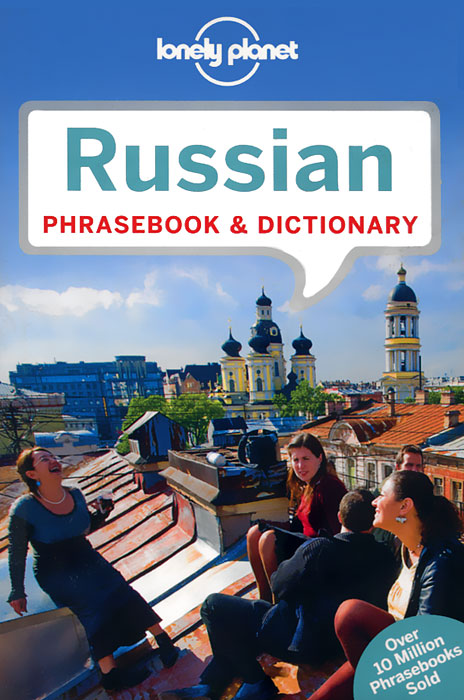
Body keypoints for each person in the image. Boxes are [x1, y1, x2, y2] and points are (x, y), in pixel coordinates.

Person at [163, 490, 397, 700]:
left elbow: (278, 586)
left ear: (339, 517)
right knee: (238, 629)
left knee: (213, 606)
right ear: (373, 523)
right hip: (340, 646)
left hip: (297, 642)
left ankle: (254, 682)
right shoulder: (386, 557)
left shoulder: (319, 549)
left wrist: (296, 562)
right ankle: (209, 685)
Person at [7, 448, 179, 692]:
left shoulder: (75, 494)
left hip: (86, 557)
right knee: (93, 609)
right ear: (32, 474)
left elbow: (84, 528)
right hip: (56, 570)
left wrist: (102, 514)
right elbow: (16, 551)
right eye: (44, 459)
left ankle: (164, 641)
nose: (54, 460)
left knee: (122, 592)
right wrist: (17, 590)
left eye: (53, 456)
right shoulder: (24, 507)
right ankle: (111, 675)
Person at [309, 470, 464, 700]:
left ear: (404, 506)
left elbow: (428, 643)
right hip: (394, 653)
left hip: (427, 668)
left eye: (382, 495)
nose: (374, 501)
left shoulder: (441, 563)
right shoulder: (405, 546)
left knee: (349, 613)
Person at [247, 432, 347, 601]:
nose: (300, 466)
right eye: (296, 460)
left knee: (268, 540)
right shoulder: (309, 485)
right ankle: (264, 596)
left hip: (317, 552)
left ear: (319, 458)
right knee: (254, 533)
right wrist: (267, 524)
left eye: (306, 459)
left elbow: (339, 533)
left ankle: (279, 601)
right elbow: (300, 524)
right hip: (304, 543)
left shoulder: (329, 486)